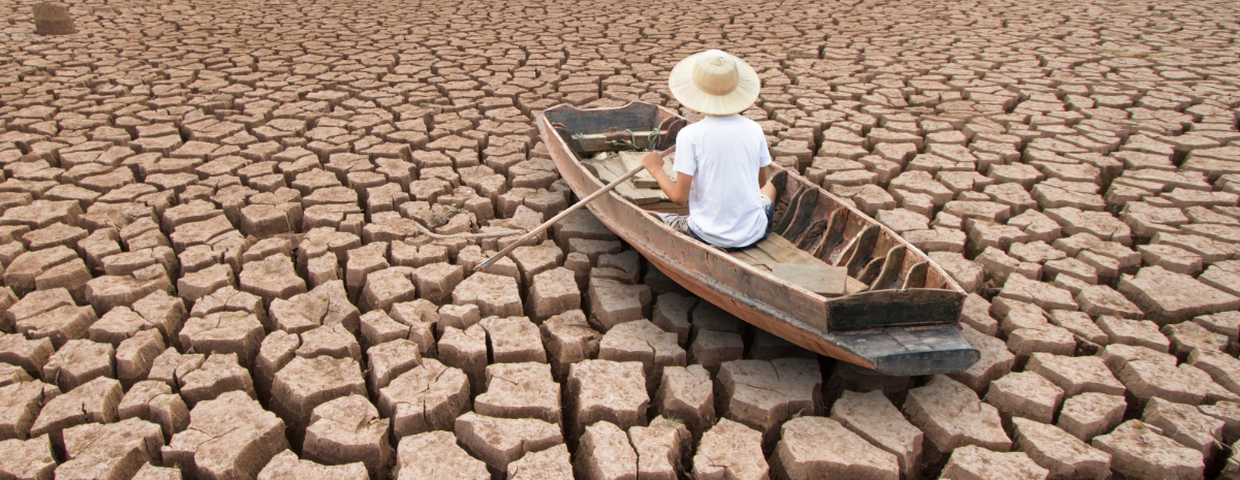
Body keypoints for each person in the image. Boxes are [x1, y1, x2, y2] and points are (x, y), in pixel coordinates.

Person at [640, 49, 777, 250]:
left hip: (707, 235)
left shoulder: (690, 135)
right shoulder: (754, 128)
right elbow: (761, 183)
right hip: (754, 233)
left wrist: (655, 169)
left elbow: (679, 198)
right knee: (771, 188)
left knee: (658, 217)